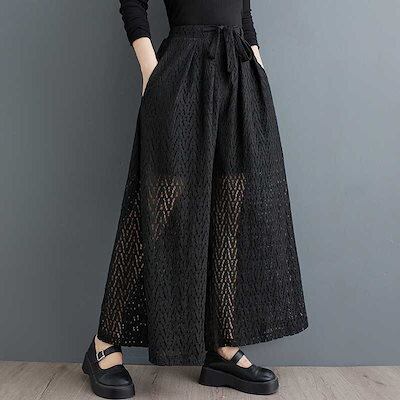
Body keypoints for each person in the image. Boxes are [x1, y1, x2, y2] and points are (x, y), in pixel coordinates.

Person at [82, 0, 308, 398]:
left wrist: (258, 69)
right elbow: (132, 3)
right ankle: (104, 343)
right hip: (183, 70)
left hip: (240, 71)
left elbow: (244, 14)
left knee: (232, 208)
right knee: (157, 210)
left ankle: (222, 346)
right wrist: (152, 72)